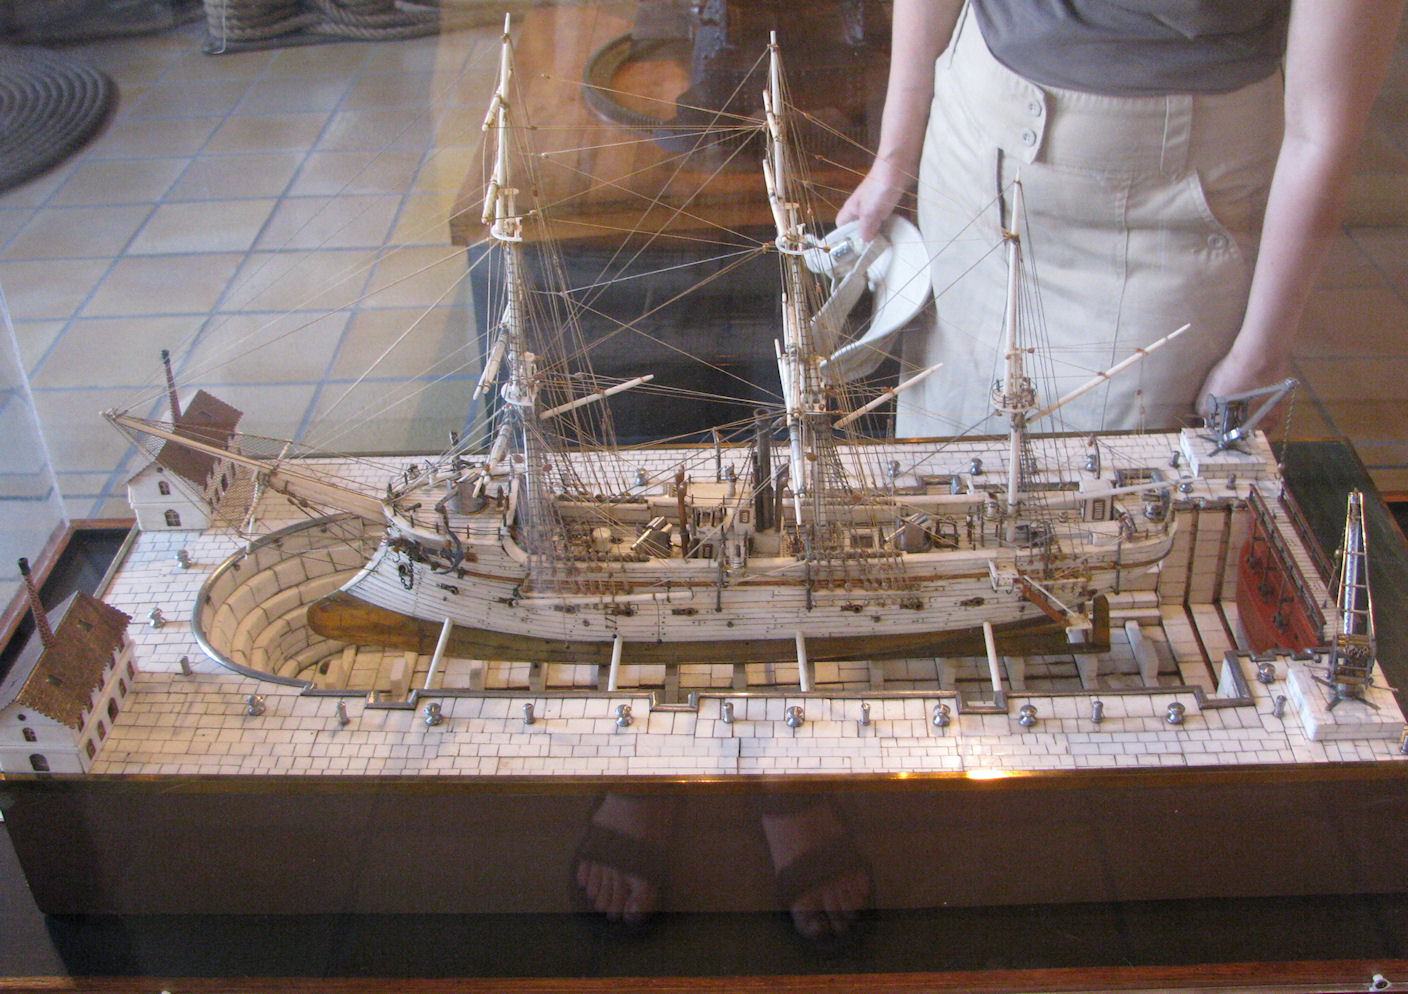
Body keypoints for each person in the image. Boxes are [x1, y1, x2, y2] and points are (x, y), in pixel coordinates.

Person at [838, 0, 1406, 435]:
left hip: (1168, 219)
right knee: (942, 478)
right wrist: (893, 156)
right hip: (969, 162)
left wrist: (1260, 356)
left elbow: (1320, 135)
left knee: (1110, 512)